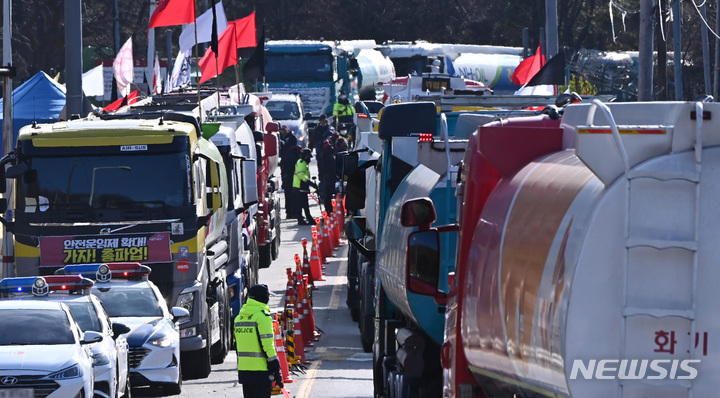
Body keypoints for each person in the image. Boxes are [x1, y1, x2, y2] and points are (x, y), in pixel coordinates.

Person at [234, 284, 282, 398]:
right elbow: (267, 345)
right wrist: (275, 366)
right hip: (261, 371)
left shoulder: (239, 318)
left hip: (244, 371)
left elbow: (236, 345)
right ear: (263, 298)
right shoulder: (262, 317)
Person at [279, 126, 301, 219]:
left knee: (292, 194)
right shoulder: (281, 138)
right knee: (289, 193)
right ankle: (290, 212)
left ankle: (294, 212)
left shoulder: (292, 140)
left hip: (292, 176)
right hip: (287, 175)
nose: (283, 132)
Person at [293, 149, 317, 225]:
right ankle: (301, 219)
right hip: (299, 186)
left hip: (302, 186)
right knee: (301, 204)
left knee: (305, 204)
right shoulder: (301, 163)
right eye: (309, 157)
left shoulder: (303, 163)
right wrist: (311, 183)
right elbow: (301, 175)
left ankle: (308, 218)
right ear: (306, 156)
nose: (309, 159)